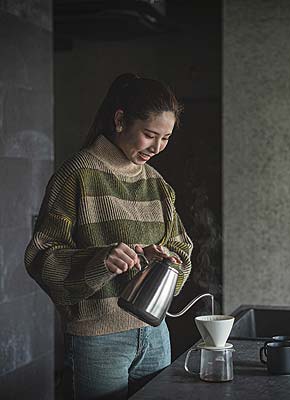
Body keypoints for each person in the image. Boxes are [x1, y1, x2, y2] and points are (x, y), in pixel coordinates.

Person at [24, 73, 193, 400]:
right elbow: (41, 256)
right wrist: (100, 259)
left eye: (166, 138)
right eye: (149, 135)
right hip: (97, 341)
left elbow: (181, 247)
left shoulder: (158, 185)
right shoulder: (76, 175)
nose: (157, 148)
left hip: (156, 336)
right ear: (120, 120)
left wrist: (166, 263)